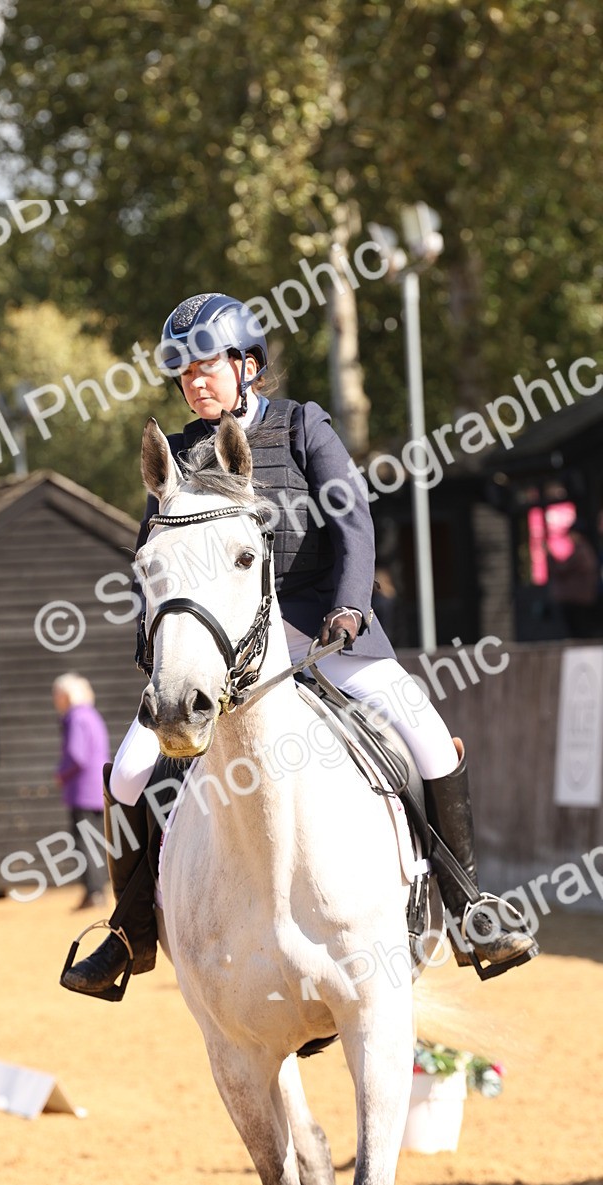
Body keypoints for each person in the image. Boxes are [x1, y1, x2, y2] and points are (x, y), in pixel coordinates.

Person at [61, 292, 538, 997]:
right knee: (130, 773)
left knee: (430, 740)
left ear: (247, 365)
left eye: (207, 367)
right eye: (183, 373)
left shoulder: (302, 427)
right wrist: (160, 656)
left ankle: (471, 909)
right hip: (227, 658)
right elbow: (151, 568)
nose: (195, 382)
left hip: (327, 635)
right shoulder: (181, 461)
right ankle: (130, 933)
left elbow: (353, 524)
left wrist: (350, 606)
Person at [53, 673, 111, 909]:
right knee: (95, 840)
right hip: (97, 787)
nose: (55, 701)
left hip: (82, 789)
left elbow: (77, 754)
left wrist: (61, 774)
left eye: (56, 695)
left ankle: (93, 892)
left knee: (84, 842)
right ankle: (98, 890)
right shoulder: (91, 715)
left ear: (66, 696)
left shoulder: (75, 718)